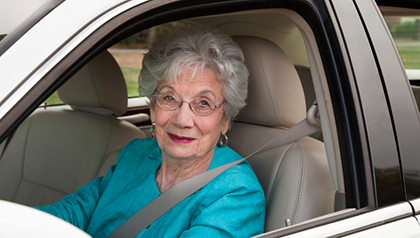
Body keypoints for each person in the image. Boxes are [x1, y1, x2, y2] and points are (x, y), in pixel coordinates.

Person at [36, 26, 265, 237]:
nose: (182, 119)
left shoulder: (237, 194)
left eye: (203, 103)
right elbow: (76, 212)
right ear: (153, 109)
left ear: (225, 119)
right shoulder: (136, 154)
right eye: (169, 98)